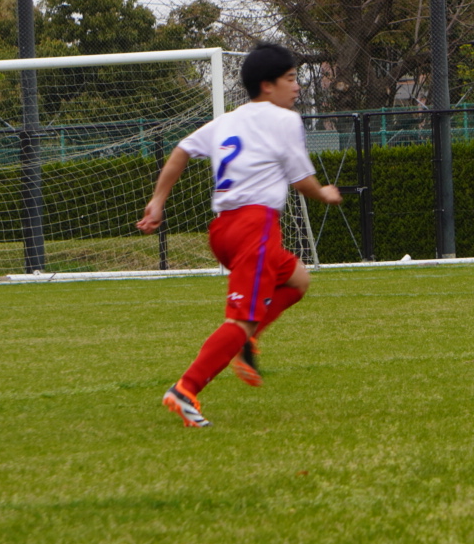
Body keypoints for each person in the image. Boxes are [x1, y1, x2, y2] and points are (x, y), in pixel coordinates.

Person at [137, 43, 342, 427]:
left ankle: (246, 339)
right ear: (267, 85)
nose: (297, 87)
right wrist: (325, 193)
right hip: (254, 229)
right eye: (290, 79)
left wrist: (157, 200)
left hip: (223, 231)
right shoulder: (285, 120)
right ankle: (186, 388)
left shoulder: (227, 121)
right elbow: (302, 180)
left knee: (298, 279)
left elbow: (181, 150)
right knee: (241, 319)